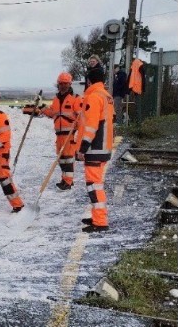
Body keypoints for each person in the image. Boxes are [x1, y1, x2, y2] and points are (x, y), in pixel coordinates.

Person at [26, 72, 82, 190]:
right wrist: (41, 106)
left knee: (68, 158)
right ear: (58, 84)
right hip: (59, 134)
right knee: (61, 158)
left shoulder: (75, 98)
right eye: (61, 83)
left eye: (65, 83)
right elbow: (51, 113)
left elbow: (80, 116)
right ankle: (65, 179)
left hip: (69, 134)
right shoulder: (56, 99)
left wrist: (78, 128)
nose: (63, 86)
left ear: (70, 84)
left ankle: (68, 181)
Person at [76, 62, 114, 233]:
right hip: (103, 147)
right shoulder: (106, 96)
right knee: (96, 185)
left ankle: (100, 221)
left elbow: (91, 125)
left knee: (94, 185)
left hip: (94, 148)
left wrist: (83, 148)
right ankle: (97, 215)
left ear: (89, 81)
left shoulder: (93, 97)